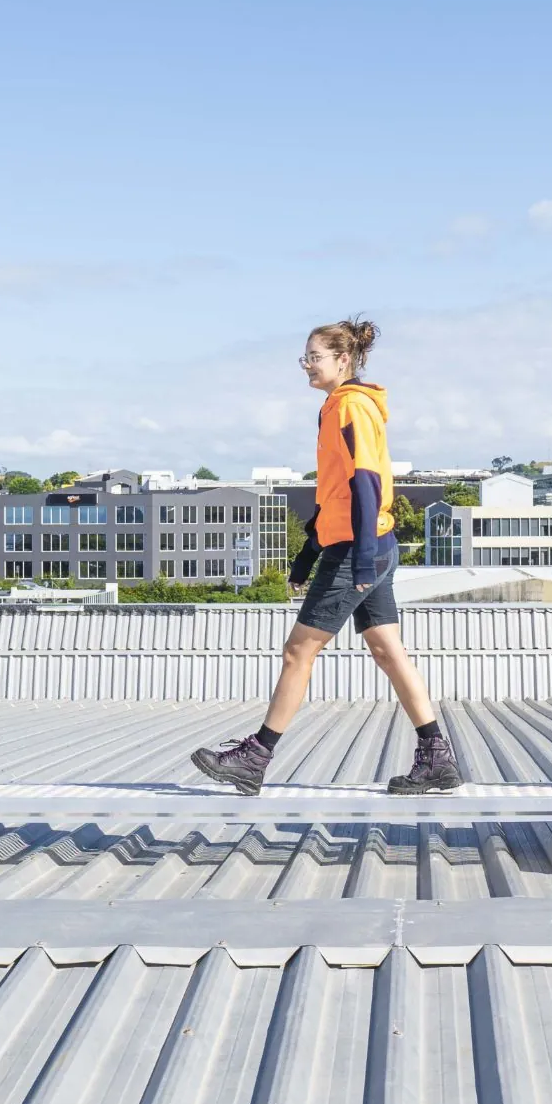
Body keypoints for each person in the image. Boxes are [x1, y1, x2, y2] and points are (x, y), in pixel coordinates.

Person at [192, 318, 461, 797]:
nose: (307, 366)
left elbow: (366, 483)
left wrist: (355, 560)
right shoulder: (337, 406)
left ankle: (255, 757)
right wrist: (307, 551)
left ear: (343, 359)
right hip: (372, 545)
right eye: (305, 358)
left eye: (313, 357)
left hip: (361, 550)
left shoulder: (351, 407)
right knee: (387, 651)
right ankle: (437, 757)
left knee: (299, 651)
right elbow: (334, 492)